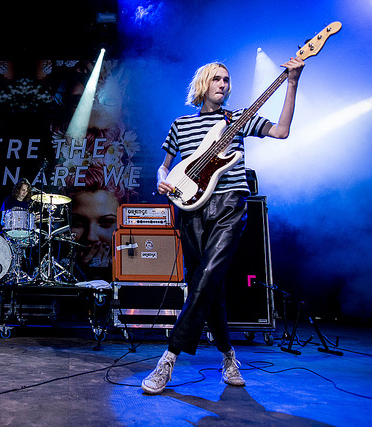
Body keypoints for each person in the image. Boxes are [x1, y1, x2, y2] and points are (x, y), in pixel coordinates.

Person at [144, 58, 304, 395]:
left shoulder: (239, 120)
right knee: (208, 286)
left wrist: (291, 83)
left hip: (230, 204)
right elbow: (164, 167)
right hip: (190, 209)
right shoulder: (180, 124)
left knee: (205, 278)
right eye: (217, 79)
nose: (223, 84)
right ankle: (229, 356)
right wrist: (161, 181)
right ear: (203, 84)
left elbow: (281, 131)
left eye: (227, 80)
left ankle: (167, 360)